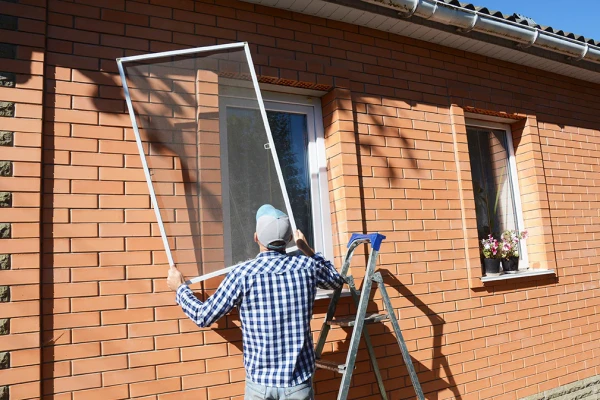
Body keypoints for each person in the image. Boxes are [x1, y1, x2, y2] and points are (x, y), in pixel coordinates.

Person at [167, 204, 345, 400]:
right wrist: (308, 250)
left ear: (256, 237)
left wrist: (180, 289)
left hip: (260, 385)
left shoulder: (243, 274)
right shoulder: (307, 267)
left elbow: (203, 316)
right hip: (298, 383)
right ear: (288, 240)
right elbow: (336, 281)